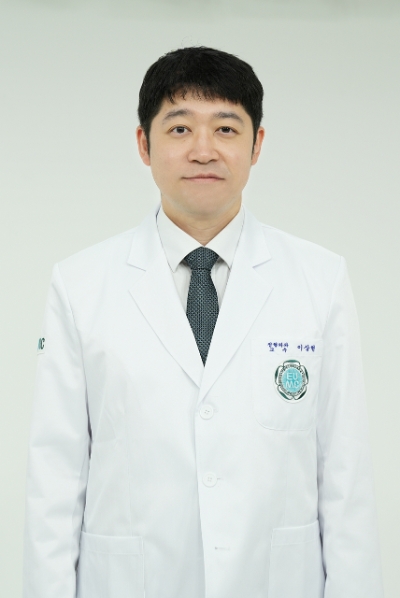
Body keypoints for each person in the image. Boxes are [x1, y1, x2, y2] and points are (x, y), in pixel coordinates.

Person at [22, 46, 384, 598]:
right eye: (179, 128)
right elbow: (55, 476)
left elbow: (346, 474)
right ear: (143, 144)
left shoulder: (319, 278)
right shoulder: (80, 284)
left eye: (226, 129)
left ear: (257, 145)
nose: (203, 150)